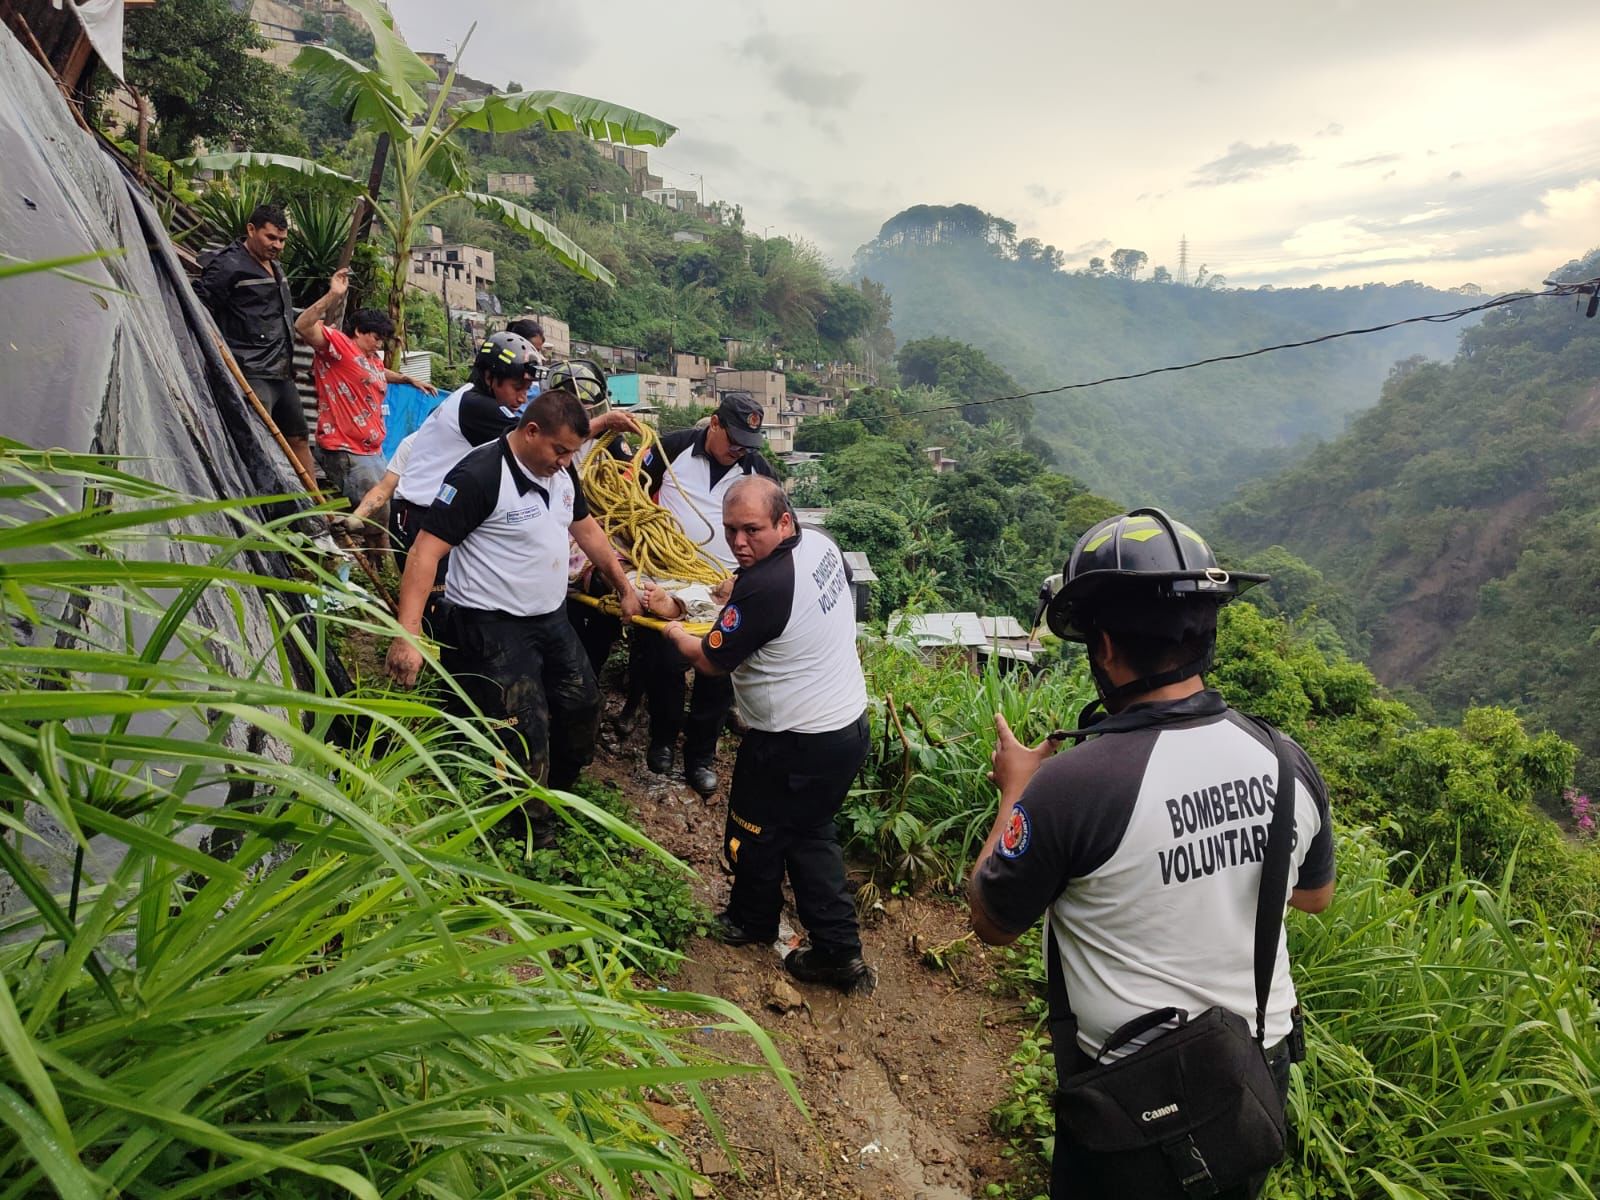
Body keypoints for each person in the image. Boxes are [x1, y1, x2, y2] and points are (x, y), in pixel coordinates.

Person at [965, 508, 1335, 1198]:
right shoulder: (1286, 760)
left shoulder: (1072, 784)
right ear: (1206, 630)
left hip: (1132, 1099)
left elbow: (992, 920)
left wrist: (1017, 791)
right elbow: (1312, 896)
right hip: (1254, 1079)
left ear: (1103, 646)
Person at [386, 387, 643, 845]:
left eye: (571, 452)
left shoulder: (560, 473)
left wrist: (624, 586)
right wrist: (407, 634)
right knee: (524, 729)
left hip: (549, 617)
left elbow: (586, 529)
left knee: (583, 705)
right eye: (559, 450)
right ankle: (529, 831)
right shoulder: (480, 475)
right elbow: (424, 553)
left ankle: (558, 793)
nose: (566, 460)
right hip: (491, 624)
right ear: (530, 431)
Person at [658, 475, 873, 994]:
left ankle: (828, 950)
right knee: (804, 829)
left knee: (770, 829)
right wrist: (738, 591)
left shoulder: (765, 587)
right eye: (730, 530)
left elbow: (709, 661)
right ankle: (767, 919)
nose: (738, 543)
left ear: (783, 521)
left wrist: (671, 632)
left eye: (751, 530)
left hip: (794, 739)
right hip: (844, 723)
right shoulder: (821, 545)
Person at [637, 391, 776, 796]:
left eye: (746, 444)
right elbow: (635, 500)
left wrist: (746, 579)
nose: (738, 450)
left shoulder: (757, 471)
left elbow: (779, 529)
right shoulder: (672, 449)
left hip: (726, 586)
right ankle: (662, 740)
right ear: (714, 424)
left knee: (717, 672)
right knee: (665, 664)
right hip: (668, 579)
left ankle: (700, 756)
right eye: (733, 439)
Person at [294, 267, 436, 553]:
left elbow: (379, 373)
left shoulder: (368, 357)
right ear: (358, 331)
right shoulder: (339, 347)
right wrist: (333, 295)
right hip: (347, 449)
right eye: (376, 337)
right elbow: (304, 325)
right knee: (378, 522)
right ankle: (380, 576)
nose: (380, 344)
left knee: (379, 515)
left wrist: (408, 379)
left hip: (370, 449)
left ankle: (376, 570)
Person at [196, 202, 311, 476]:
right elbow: (198, 307)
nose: (278, 245)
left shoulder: (274, 266)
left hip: (281, 371)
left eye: (282, 240)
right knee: (255, 442)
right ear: (251, 229)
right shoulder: (228, 265)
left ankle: (316, 508)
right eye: (271, 237)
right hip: (250, 371)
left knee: (299, 438)